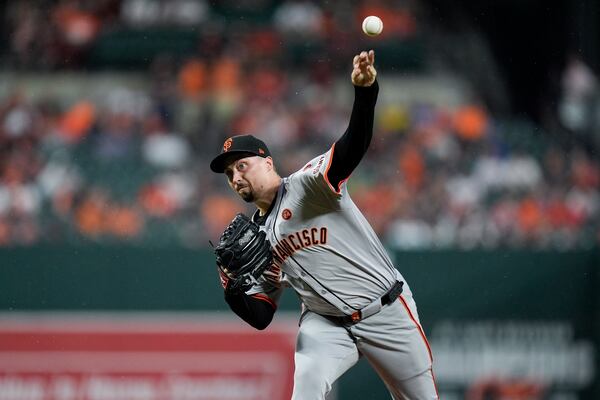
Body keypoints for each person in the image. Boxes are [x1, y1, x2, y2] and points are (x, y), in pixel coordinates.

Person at [210, 50, 438, 400]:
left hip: (386, 309)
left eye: (242, 166)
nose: (235, 176)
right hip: (325, 324)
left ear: (267, 163)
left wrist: (366, 93)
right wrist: (232, 291)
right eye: (229, 174)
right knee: (307, 384)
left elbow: (353, 145)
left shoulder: (308, 185)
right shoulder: (253, 240)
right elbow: (260, 316)